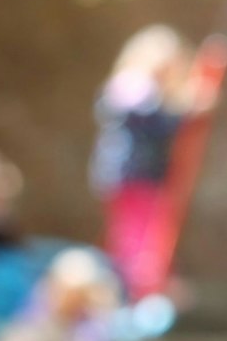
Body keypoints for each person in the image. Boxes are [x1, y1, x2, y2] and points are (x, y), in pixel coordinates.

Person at [90, 25, 218, 300]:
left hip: (142, 176)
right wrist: (189, 109)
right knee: (139, 238)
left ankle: (139, 287)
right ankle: (139, 289)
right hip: (132, 176)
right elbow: (153, 121)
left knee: (144, 235)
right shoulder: (132, 86)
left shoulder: (146, 91)